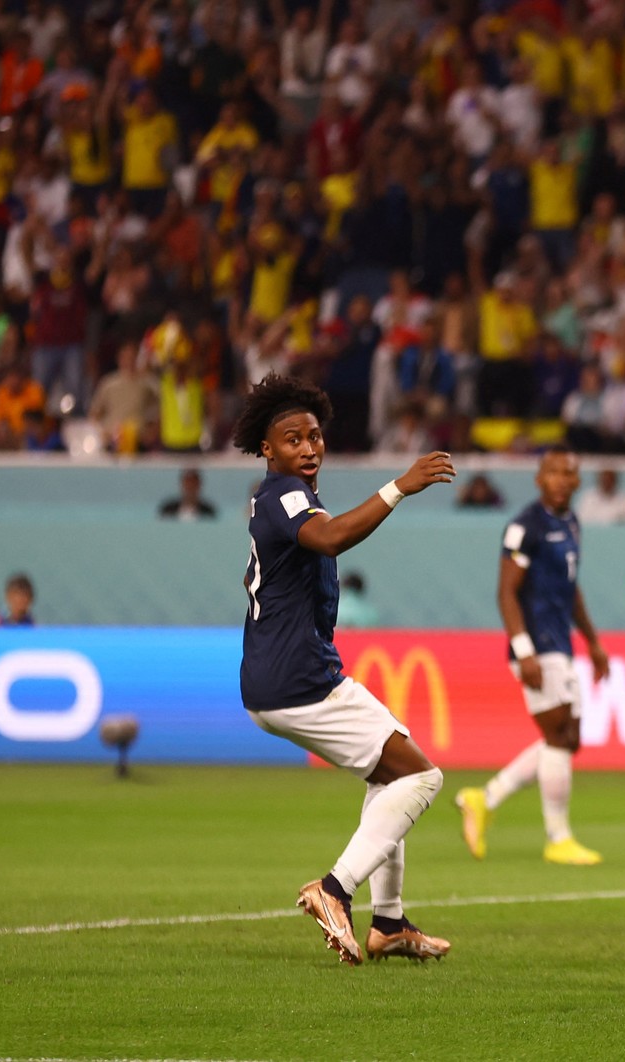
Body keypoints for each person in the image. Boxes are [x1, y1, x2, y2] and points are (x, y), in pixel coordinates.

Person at [232, 373, 457, 966]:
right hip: (297, 680)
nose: (308, 448)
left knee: (390, 778)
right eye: (291, 439)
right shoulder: (283, 495)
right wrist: (399, 487)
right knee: (423, 778)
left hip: (284, 677)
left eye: (313, 436)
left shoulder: (287, 497)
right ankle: (334, 890)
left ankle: (389, 923)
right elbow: (330, 540)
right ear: (267, 449)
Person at [455, 446, 612, 866]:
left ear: (577, 482)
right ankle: (557, 837)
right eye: (554, 472)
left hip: (560, 642)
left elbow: (571, 588)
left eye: (570, 472)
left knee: (566, 738)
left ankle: (483, 798)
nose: (562, 479)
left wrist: (593, 642)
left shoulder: (572, 523)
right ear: (539, 478)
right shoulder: (524, 527)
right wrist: (524, 651)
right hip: (535, 647)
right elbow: (506, 591)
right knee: (559, 736)